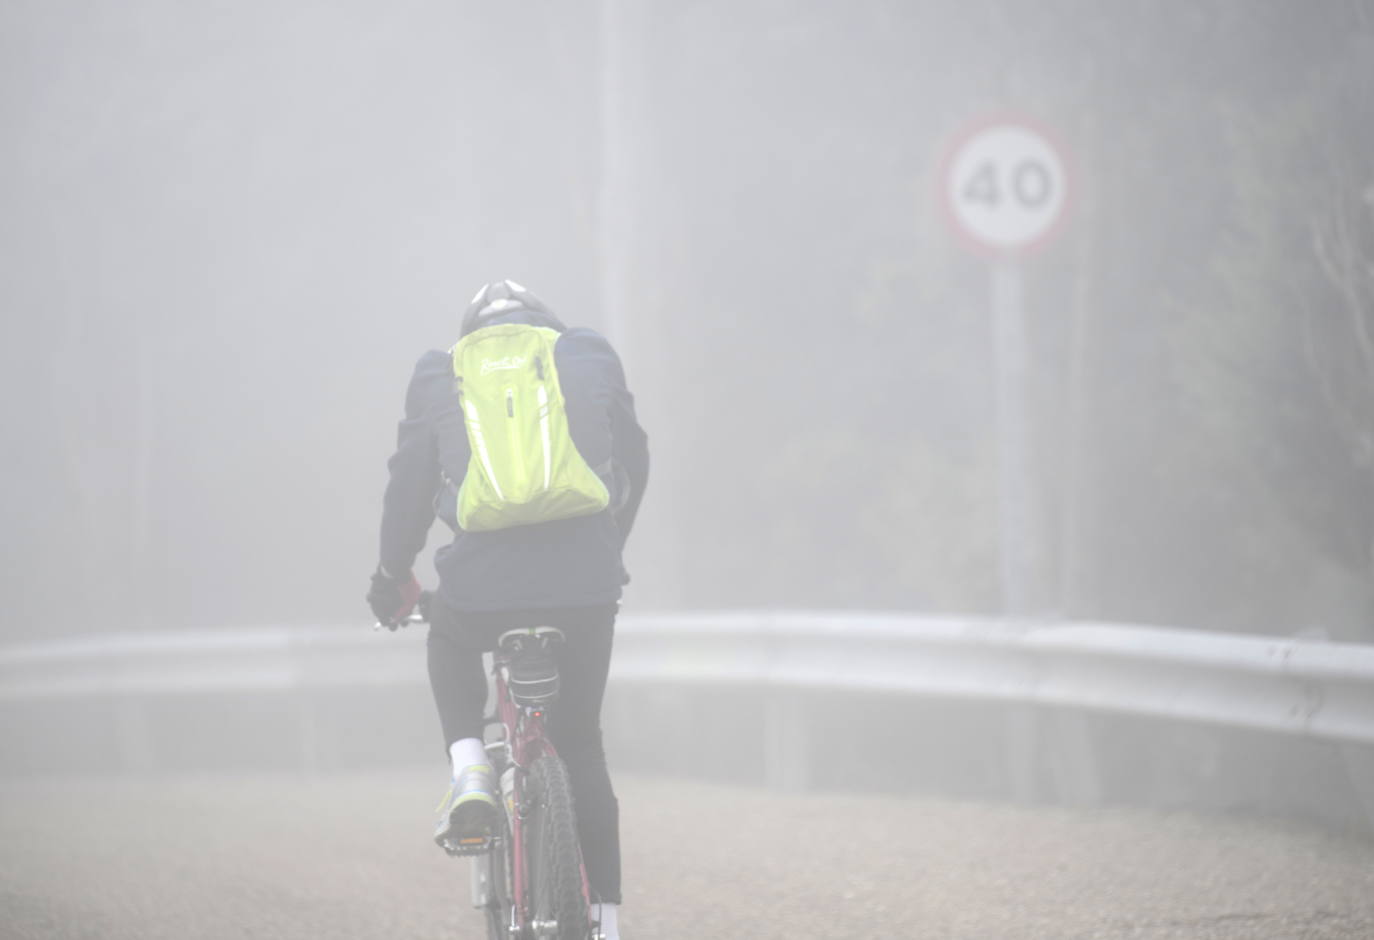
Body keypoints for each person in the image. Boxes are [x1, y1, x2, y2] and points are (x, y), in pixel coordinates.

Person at [366, 280, 648, 939]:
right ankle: (605, 924)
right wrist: (611, 545)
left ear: (474, 332)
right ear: (544, 326)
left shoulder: (443, 371)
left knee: (448, 634)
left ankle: (469, 771)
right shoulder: (588, 353)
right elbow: (635, 459)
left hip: (480, 590)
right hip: (585, 582)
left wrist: (390, 579)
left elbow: (409, 488)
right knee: (580, 741)